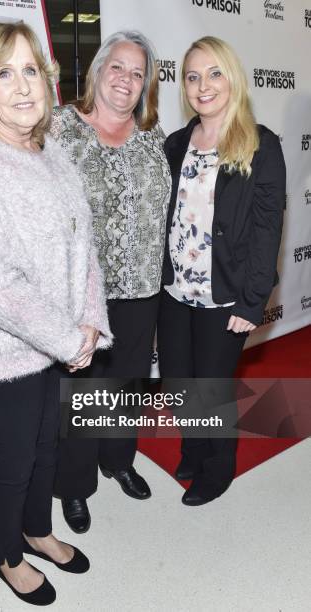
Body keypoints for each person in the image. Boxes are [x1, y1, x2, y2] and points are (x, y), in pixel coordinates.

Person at [0, 22, 112, 606]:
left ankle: (37, 531)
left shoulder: (52, 152)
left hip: (60, 340)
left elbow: (82, 244)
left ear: (48, 81)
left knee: (48, 447)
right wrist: (67, 336)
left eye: (30, 70)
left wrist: (89, 323)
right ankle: (6, 553)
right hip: (6, 347)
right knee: (13, 460)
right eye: (2, 73)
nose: (20, 86)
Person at [51, 31, 172, 532]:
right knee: (83, 387)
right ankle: (75, 486)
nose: (126, 79)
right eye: (117, 67)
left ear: (145, 86)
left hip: (142, 288)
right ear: (97, 71)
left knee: (124, 384)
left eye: (137, 72)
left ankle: (119, 459)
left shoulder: (153, 136)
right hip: (82, 291)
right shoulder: (60, 128)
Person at [157, 36, 286, 506]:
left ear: (232, 79)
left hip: (225, 296)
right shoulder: (175, 144)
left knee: (212, 389)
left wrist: (254, 300)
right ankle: (193, 448)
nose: (202, 85)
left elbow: (267, 229)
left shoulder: (259, 144)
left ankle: (218, 468)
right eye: (192, 76)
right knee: (179, 381)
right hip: (174, 292)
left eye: (213, 74)